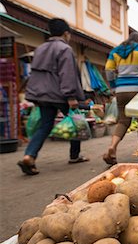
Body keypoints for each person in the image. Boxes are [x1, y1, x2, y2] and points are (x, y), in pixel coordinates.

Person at [17, 18, 88, 176]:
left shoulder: (40, 48)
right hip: (60, 94)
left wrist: (35, 95)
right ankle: (74, 156)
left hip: (42, 95)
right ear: (66, 33)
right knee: (77, 122)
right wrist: (71, 96)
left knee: (45, 126)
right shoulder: (64, 49)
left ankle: (29, 155)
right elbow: (67, 74)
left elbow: (35, 74)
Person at [103, 32, 138, 165]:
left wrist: (113, 87)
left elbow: (108, 70)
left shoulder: (115, 51)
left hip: (121, 91)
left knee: (123, 121)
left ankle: (113, 146)